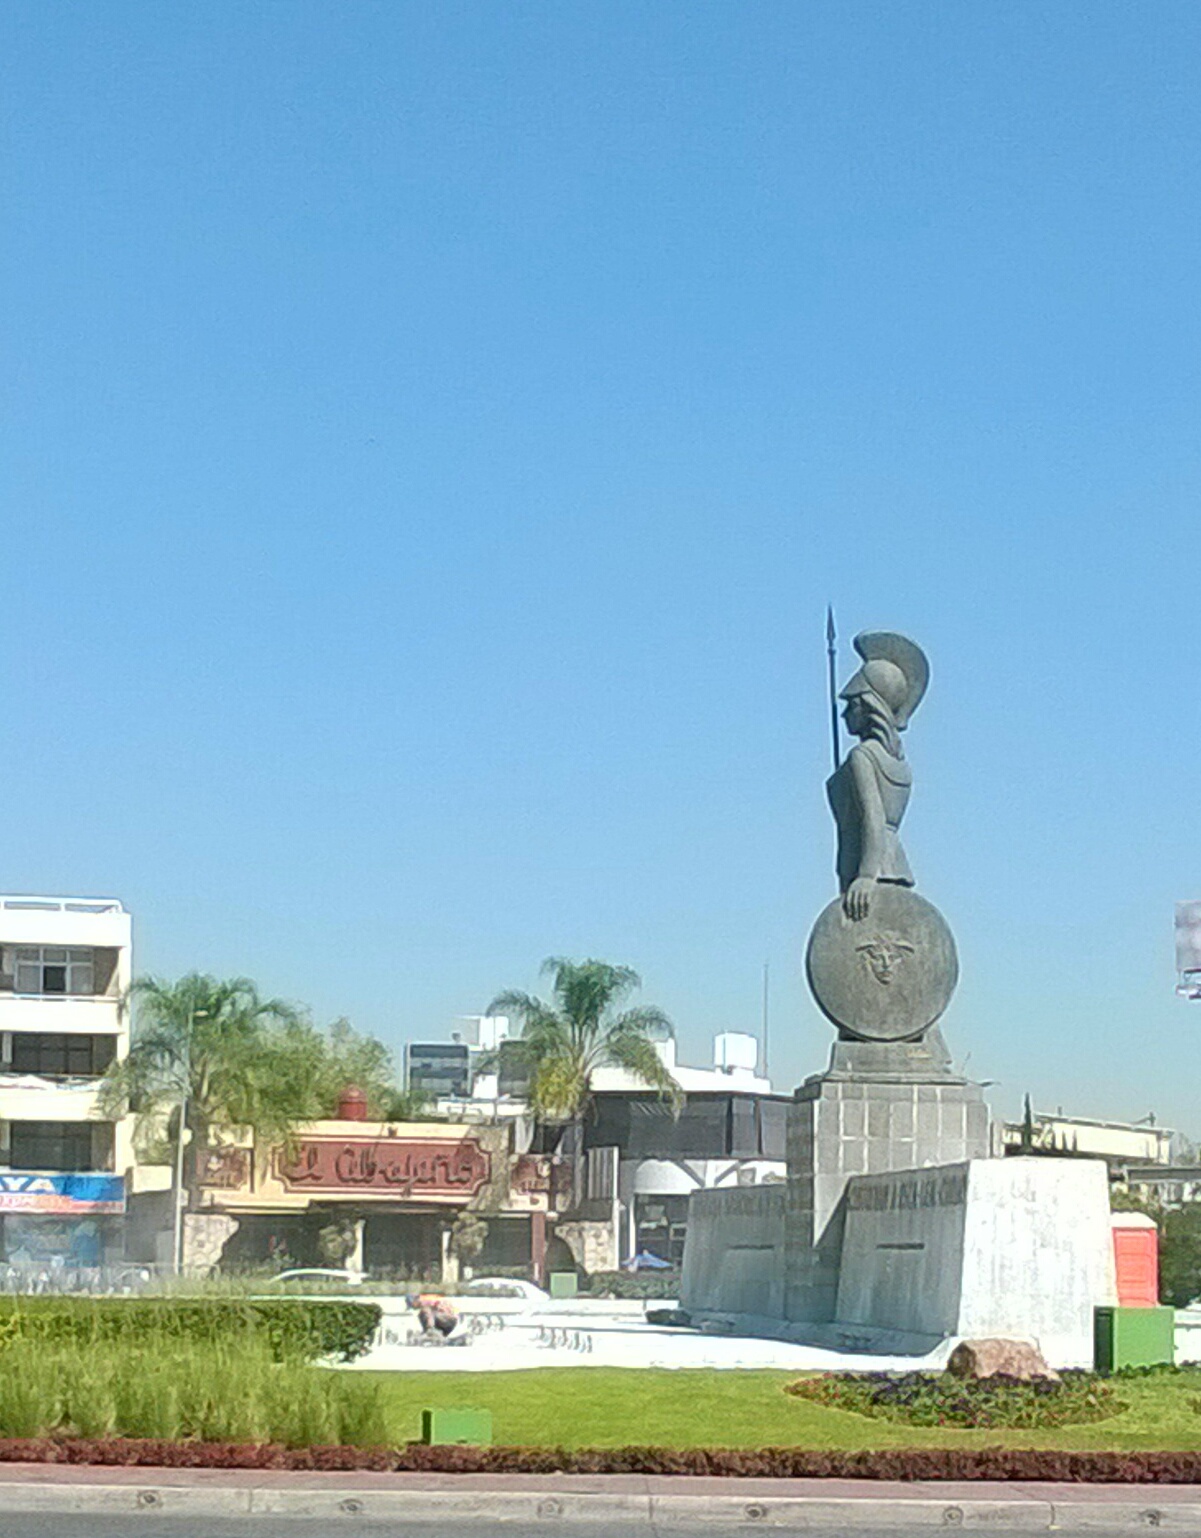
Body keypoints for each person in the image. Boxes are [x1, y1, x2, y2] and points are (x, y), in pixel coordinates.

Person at [826, 631, 929, 921]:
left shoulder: (863, 756)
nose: (845, 714)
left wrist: (866, 876)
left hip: (869, 870)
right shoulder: (898, 762)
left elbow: (874, 817)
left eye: (852, 705)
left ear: (871, 706)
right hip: (896, 866)